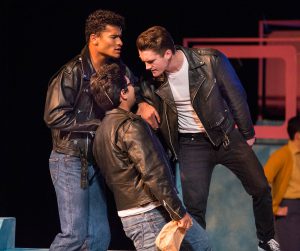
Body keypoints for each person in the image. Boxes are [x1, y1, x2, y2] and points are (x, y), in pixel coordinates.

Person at [135, 25, 280, 251]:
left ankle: (267, 241)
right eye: (144, 61)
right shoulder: (151, 79)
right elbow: (135, 89)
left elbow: (236, 94)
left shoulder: (211, 61)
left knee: (260, 187)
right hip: (191, 145)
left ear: (167, 53)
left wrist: (247, 133)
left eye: (151, 61)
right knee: (194, 209)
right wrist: (142, 103)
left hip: (226, 136)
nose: (147, 66)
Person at [91, 62, 212, 251]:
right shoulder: (130, 126)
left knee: (201, 245)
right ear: (123, 93)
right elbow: (154, 173)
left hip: (137, 213)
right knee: (201, 245)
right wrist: (178, 212)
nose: (134, 88)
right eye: (130, 85)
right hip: (149, 213)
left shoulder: (100, 132)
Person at [44, 9, 135, 251]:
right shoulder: (72, 72)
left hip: (94, 160)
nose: (120, 42)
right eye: (113, 37)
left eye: (120, 36)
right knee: (74, 234)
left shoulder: (118, 69)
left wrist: (145, 103)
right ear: (94, 38)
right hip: (69, 158)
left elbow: (137, 88)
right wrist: (98, 126)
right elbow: (54, 116)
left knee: (98, 238)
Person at [264, 115, 300, 251]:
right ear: (297, 136)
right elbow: (261, 182)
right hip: (290, 208)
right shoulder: (281, 155)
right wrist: (273, 208)